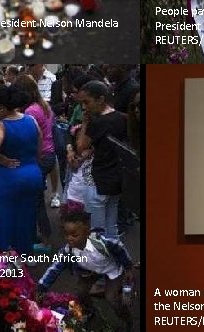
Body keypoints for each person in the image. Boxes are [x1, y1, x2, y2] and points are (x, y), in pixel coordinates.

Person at [37, 206, 134, 330]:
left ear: (87, 233)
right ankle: (89, 311)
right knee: (81, 293)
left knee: (111, 298)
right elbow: (55, 268)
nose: (69, 238)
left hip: (111, 269)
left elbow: (119, 247)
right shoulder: (68, 251)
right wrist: (42, 286)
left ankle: (126, 318)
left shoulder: (101, 242)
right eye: (66, 234)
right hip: (89, 272)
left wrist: (128, 267)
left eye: (74, 235)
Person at [0, 85, 43, 254]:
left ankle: (8, 259)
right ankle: (26, 254)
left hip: (9, 180)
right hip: (32, 174)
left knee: (5, 219)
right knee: (27, 218)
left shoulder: (0, 126)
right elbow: (39, 148)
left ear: (1, 107)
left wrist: (2, 159)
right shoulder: (31, 120)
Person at [76, 81, 127, 238]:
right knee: (112, 228)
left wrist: (84, 123)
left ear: (100, 99)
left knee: (97, 232)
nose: (84, 107)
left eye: (87, 102)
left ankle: (99, 261)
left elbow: (81, 146)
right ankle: (114, 258)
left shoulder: (97, 122)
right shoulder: (121, 118)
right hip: (116, 179)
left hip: (98, 180)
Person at [19, 74, 60, 251]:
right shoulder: (44, 106)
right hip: (50, 156)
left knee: (36, 202)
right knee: (37, 199)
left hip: (40, 157)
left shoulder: (30, 112)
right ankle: (41, 236)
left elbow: (33, 139)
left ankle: (46, 241)